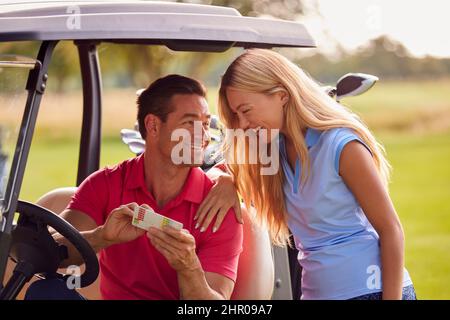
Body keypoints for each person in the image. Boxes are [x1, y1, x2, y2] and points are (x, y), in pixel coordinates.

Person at [201, 49, 416, 300]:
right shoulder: (274, 150)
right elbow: (229, 169)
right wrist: (228, 181)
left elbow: (391, 230)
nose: (243, 123)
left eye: (246, 110)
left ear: (281, 95)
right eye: (236, 115)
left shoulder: (342, 145)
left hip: (370, 291)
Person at [25, 74, 243, 300]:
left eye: (206, 124)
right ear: (153, 125)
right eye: (189, 123)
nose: (204, 136)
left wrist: (189, 268)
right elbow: (48, 253)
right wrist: (102, 237)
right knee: (45, 291)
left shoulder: (219, 207)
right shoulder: (106, 183)